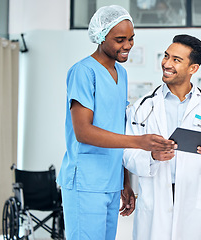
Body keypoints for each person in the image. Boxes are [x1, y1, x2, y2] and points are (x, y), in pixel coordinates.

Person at [56, 5, 176, 240]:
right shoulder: (83, 72)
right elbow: (83, 132)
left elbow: (116, 127)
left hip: (111, 180)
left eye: (131, 38)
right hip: (86, 182)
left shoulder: (121, 74)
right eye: (120, 39)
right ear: (100, 37)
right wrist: (140, 142)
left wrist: (125, 180)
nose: (128, 45)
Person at [123, 34, 201, 240]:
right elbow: (127, 155)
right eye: (166, 56)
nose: (166, 64)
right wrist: (152, 157)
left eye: (176, 60)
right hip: (155, 199)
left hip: (193, 201)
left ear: (193, 68)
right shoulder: (142, 107)